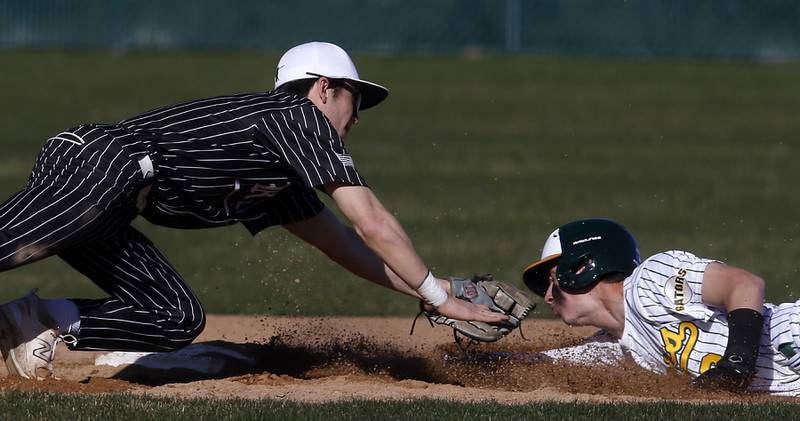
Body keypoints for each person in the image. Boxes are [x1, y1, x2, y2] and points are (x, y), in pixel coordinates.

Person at [0, 41, 506, 380]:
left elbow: (344, 246)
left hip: (120, 199)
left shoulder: (280, 171)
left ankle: (35, 318)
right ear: (325, 88)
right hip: (103, 164)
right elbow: (369, 220)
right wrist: (439, 297)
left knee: (175, 318)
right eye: (356, 100)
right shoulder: (297, 116)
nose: (357, 117)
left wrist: (437, 287)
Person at [522, 218, 800, 396]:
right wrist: (480, 344)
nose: (548, 297)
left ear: (582, 266)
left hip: (790, 335)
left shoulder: (651, 281)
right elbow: (538, 367)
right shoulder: (613, 349)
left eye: (551, 280)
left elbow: (744, 284)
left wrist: (738, 361)